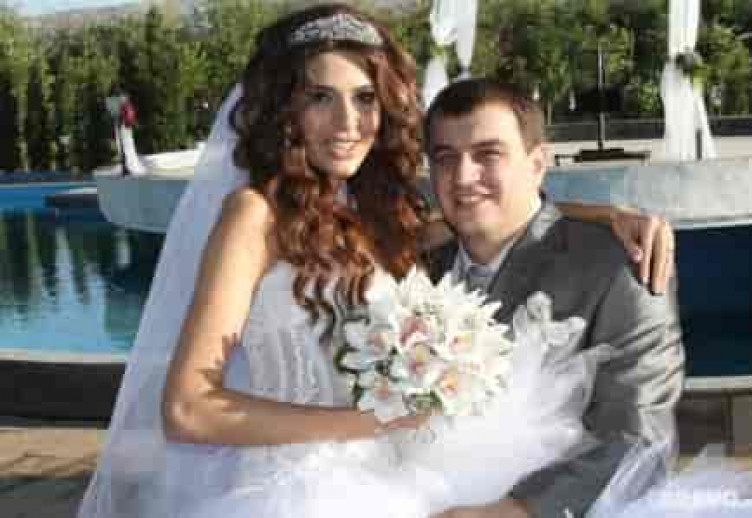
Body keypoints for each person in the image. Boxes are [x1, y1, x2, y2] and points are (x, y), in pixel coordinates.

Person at [77, 5, 678, 518]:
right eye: (321, 98)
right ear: (285, 110)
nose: (348, 123)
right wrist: (367, 422)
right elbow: (188, 409)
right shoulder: (253, 215)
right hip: (301, 490)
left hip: (400, 479)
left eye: (365, 98)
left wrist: (606, 216)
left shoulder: (375, 216)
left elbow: (492, 210)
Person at [421, 78, 685, 518]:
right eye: (446, 158)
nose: (463, 177)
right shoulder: (411, 271)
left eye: (488, 154)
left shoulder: (617, 268)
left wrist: (517, 510)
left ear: (538, 163)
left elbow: (639, 439)